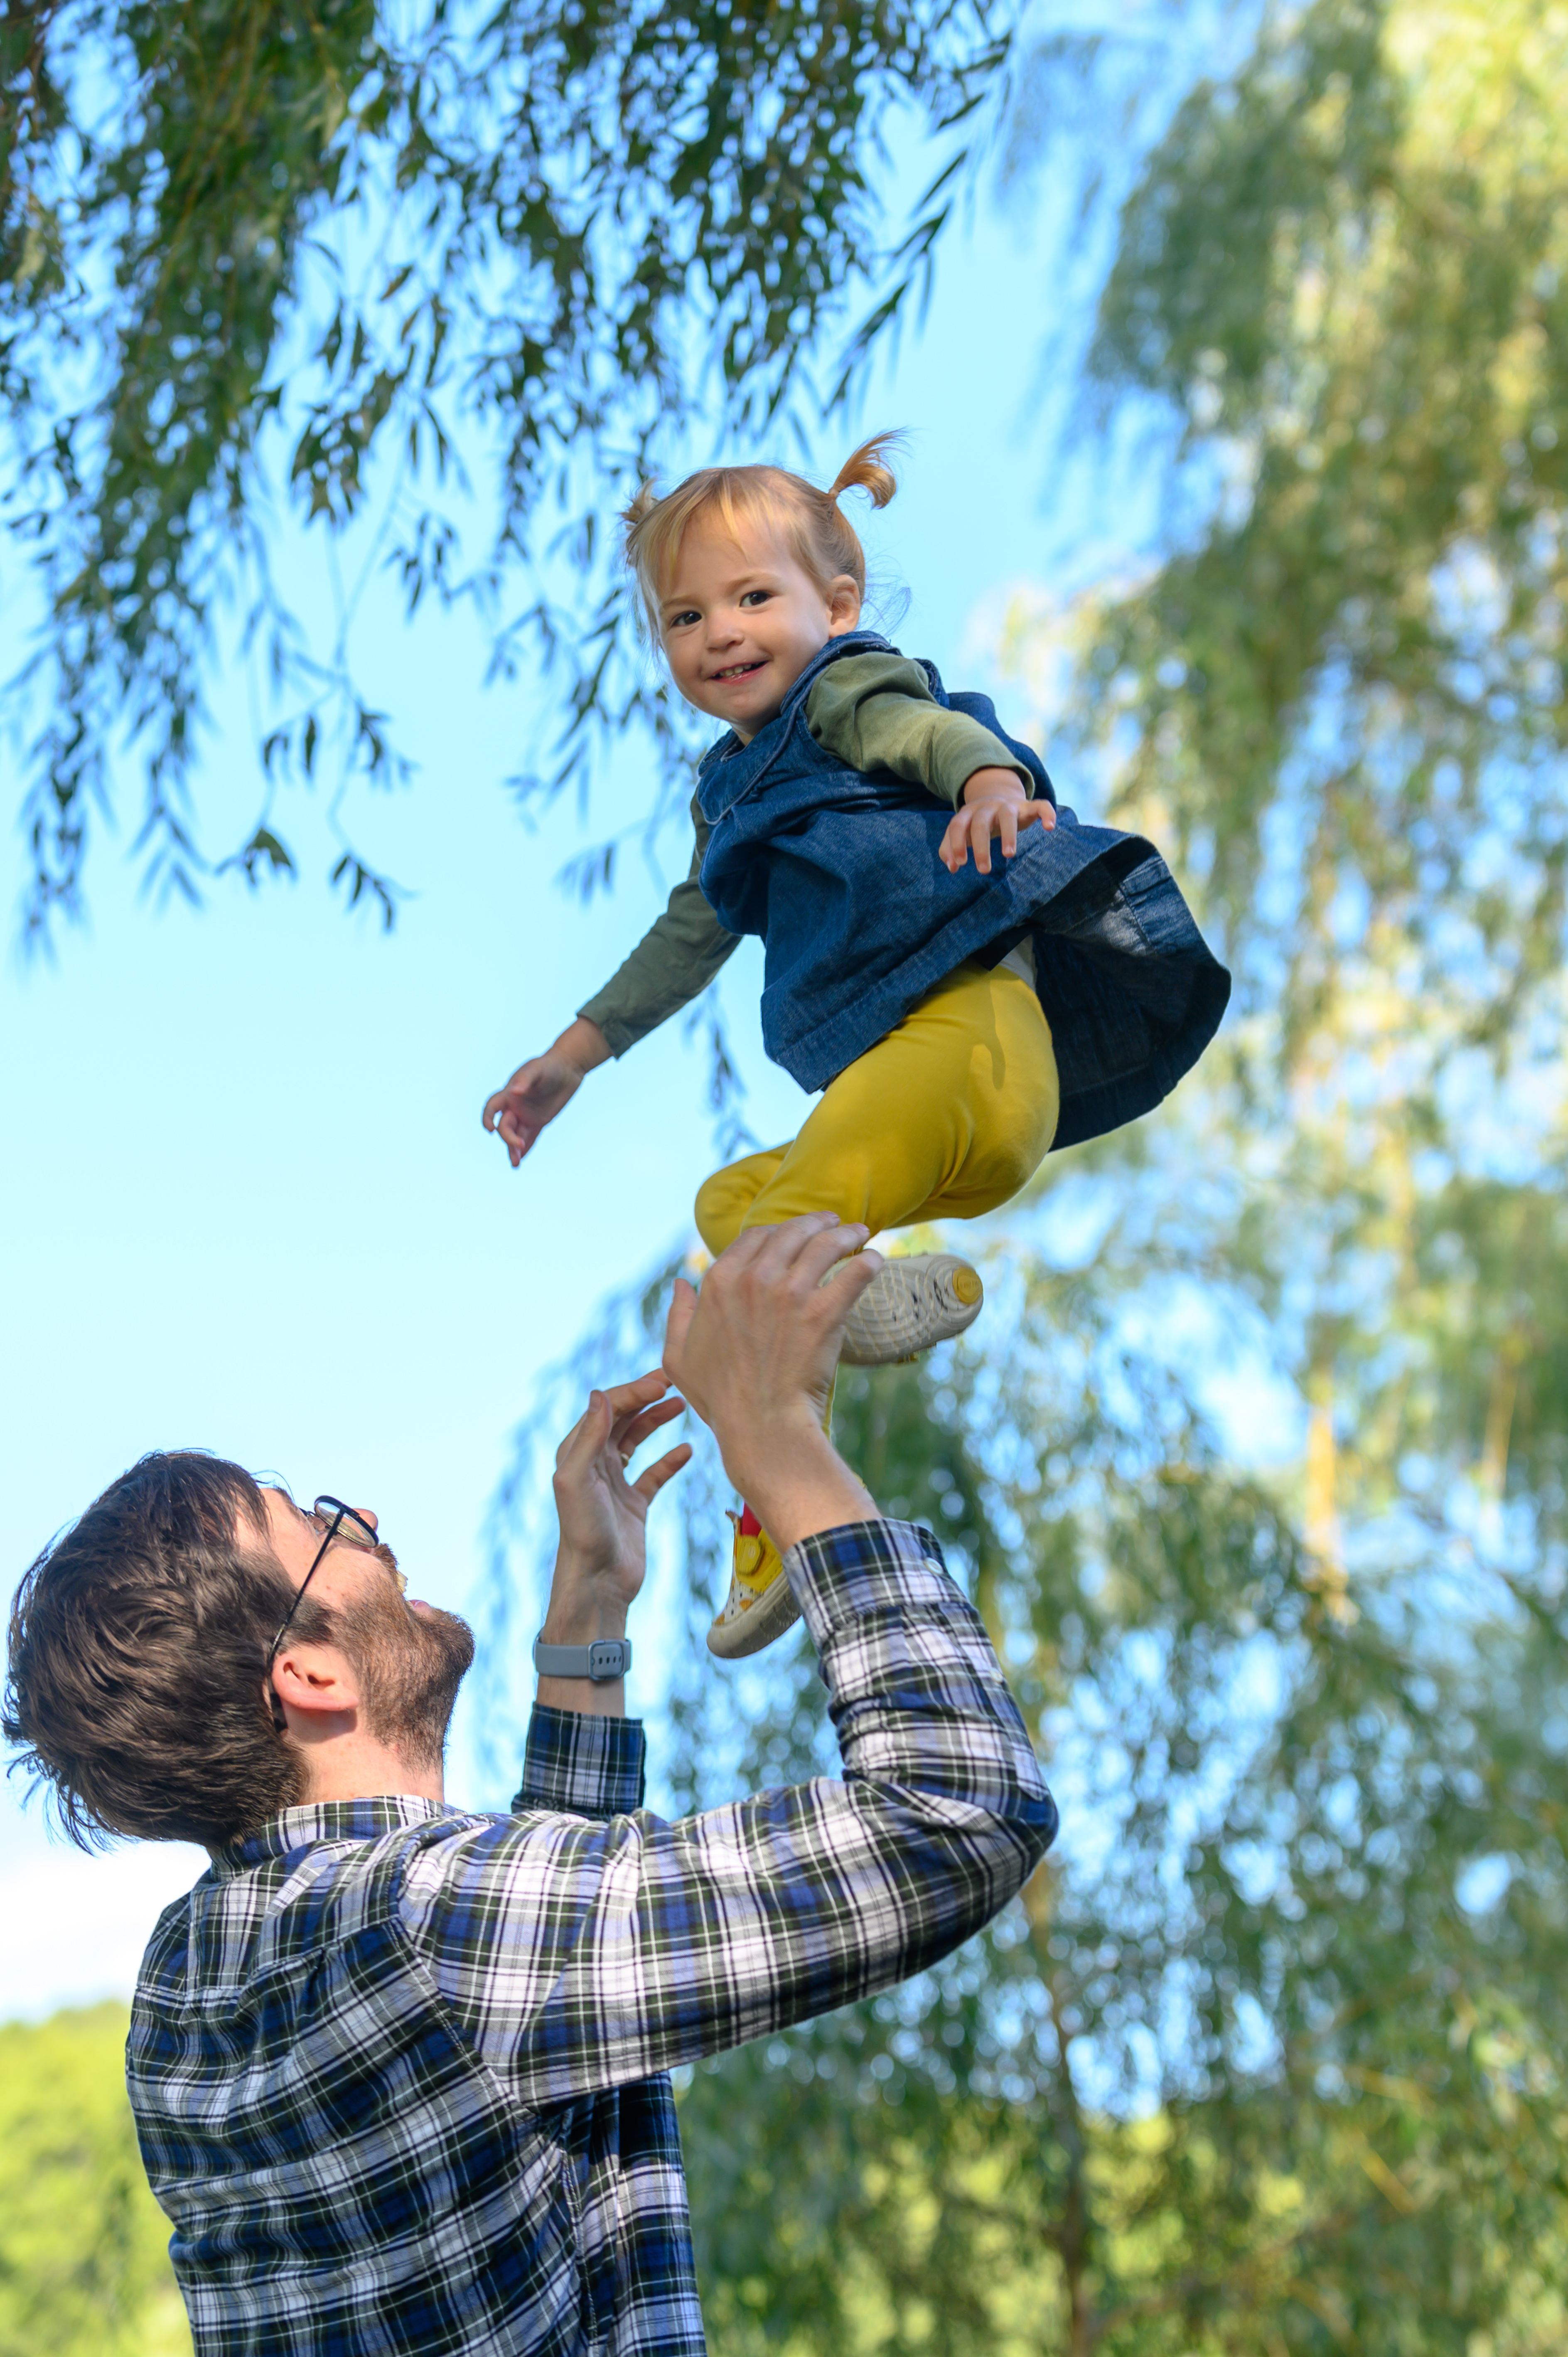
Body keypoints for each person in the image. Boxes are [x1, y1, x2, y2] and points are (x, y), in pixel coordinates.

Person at [3, 1214, 1056, 2357]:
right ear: (307, 1673)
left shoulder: (184, 1998)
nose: (367, 1525)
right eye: (322, 1528)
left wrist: (590, 1601)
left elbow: (534, 2016)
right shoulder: (424, 1925)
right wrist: (778, 1440)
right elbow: (960, 1807)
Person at [484, 434, 1231, 1659]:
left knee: (753, 1282)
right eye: (685, 617)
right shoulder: (734, 792)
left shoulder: (843, 691)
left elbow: (922, 733)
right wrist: (571, 1057)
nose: (719, 634)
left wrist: (990, 787)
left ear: (835, 608)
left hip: (967, 1043)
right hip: (922, 1103)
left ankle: (774, 1499)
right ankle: (861, 1301)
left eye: (751, 597)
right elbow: (690, 932)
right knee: (731, 1208)